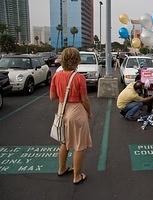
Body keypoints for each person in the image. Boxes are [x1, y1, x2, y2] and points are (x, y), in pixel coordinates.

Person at [50, 47, 92, 185]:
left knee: (64, 142)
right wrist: (89, 112)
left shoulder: (56, 76)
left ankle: (62, 169)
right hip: (77, 111)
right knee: (79, 145)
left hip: (62, 109)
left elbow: (52, 97)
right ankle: (77, 175)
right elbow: (84, 99)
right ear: (77, 60)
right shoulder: (79, 78)